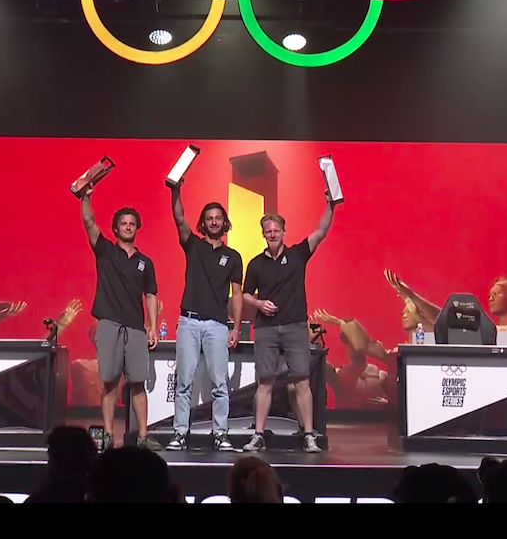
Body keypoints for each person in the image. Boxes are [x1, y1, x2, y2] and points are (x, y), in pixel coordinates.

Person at [240, 191, 335, 453]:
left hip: (294, 326)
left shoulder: (297, 255)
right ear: (263, 234)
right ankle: (258, 434)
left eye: (276, 230)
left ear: (284, 231)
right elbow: (245, 294)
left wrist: (330, 206)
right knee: (265, 382)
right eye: (268, 231)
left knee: (301, 381)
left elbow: (320, 232)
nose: (272, 234)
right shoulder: (256, 264)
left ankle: (309, 435)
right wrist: (259, 304)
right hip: (266, 328)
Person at [80, 186, 161, 451]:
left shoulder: (145, 262)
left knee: (137, 384)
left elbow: (150, 294)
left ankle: (143, 436)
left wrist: (152, 326)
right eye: (123, 223)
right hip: (109, 324)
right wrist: (85, 196)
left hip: (135, 328)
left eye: (132, 224)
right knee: (110, 382)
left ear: (137, 228)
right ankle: (107, 435)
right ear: (115, 228)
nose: (128, 227)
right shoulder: (105, 251)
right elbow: (89, 222)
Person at [166, 184, 243, 452]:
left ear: (225, 223)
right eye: (209, 218)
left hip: (217, 325)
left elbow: (237, 294)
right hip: (188, 322)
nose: (213, 222)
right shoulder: (194, 246)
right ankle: (180, 433)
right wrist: (175, 191)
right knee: (184, 381)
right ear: (203, 223)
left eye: (218, 218)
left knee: (220, 384)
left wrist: (236, 327)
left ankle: (220, 434)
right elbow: (179, 218)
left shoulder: (233, 257)